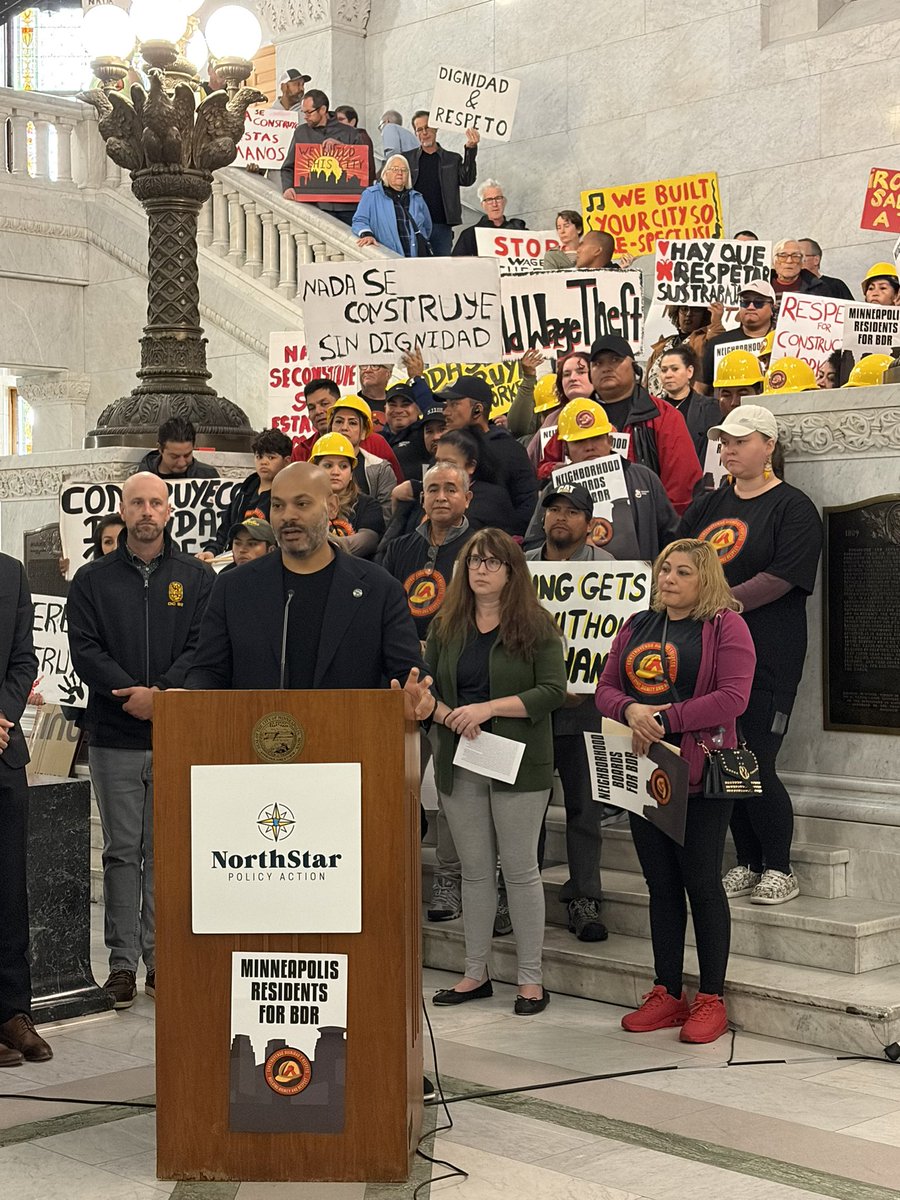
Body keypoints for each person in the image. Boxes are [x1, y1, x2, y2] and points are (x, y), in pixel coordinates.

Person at [596, 538, 756, 1043]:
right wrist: (631, 712)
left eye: (682, 572)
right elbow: (604, 688)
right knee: (660, 885)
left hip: (703, 773)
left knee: (702, 884)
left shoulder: (726, 625)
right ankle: (667, 991)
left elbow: (733, 698)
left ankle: (711, 997)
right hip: (644, 770)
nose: (668, 578)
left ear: (704, 578)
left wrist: (664, 718)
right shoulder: (638, 624)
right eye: (665, 569)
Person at [67, 473, 214, 1008]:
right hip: (114, 733)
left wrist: (165, 694)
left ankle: (163, 960)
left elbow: (204, 646)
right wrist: (131, 693)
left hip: (177, 733)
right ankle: (122, 965)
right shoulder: (91, 580)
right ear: (122, 510)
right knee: (122, 852)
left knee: (166, 852)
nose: (147, 511)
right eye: (137, 503)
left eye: (156, 502)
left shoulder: (197, 578)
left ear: (170, 510)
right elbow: (84, 649)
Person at [679, 406, 823, 906]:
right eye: (724, 443)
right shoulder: (708, 505)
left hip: (768, 655)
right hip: (709, 656)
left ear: (769, 445)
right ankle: (747, 859)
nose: (729, 450)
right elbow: (679, 556)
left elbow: (784, 575)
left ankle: (779, 865)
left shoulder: (793, 507)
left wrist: (720, 601)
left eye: (740, 441)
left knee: (755, 756)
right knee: (724, 756)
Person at [425, 529, 566, 1014]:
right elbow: (427, 690)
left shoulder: (537, 625)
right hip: (459, 757)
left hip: (519, 761)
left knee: (521, 870)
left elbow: (551, 691)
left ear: (511, 571)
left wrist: (486, 709)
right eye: (473, 562)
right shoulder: (447, 626)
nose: (480, 569)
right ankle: (474, 973)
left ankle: (531, 980)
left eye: (491, 562)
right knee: (476, 872)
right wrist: (446, 715)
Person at [185, 462, 431, 704]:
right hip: (256, 738)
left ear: (331, 507)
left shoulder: (379, 589)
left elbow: (409, 675)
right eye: (278, 505)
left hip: (349, 739)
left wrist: (418, 699)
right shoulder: (233, 587)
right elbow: (207, 672)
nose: (288, 516)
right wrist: (193, 697)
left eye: (302, 504)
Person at [540, 336, 700, 515]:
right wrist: (554, 470)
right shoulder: (574, 416)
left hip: (644, 524)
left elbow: (682, 485)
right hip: (581, 526)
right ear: (591, 372)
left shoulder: (664, 416)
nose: (607, 368)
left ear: (634, 367)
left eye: (615, 360)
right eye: (598, 363)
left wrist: (658, 527)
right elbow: (543, 466)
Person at [0, 552, 53, 1067]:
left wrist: (1, 713)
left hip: (1, 753)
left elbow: (23, 659)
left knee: (9, 889)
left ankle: (13, 1013)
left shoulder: (9, 572)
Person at [524, 399, 679, 560]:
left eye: (596, 438)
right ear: (566, 449)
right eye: (579, 441)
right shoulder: (555, 488)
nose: (589, 446)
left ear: (609, 440)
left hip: (640, 581)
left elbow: (672, 537)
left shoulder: (644, 478)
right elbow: (533, 544)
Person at [381, 463, 474, 639]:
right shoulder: (398, 548)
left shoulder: (479, 551)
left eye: (450, 490)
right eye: (433, 490)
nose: (441, 497)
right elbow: (385, 606)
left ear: (467, 499)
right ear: (423, 500)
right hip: (404, 650)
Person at [440, 376, 537, 535]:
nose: (446, 412)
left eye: (454, 404)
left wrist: (505, 541)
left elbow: (527, 504)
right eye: (446, 405)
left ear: (477, 409)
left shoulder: (511, 450)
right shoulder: (447, 446)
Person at [198, 428, 293, 560]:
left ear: (287, 461)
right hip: (236, 562)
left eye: (271, 457)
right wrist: (211, 552)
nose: (263, 462)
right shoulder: (243, 494)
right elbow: (224, 532)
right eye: (259, 456)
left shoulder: (290, 497)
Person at [281, 89, 367, 225]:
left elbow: (362, 167)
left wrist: (342, 147)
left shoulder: (350, 132)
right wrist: (287, 188)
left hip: (347, 208)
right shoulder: (301, 132)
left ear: (323, 110)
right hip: (313, 205)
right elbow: (288, 167)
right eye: (304, 112)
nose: (305, 116)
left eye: (309, 112)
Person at [291, 377, 403, 481]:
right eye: (311, 408)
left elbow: (396, 488)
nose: (318, 411)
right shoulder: (301, 452)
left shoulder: (376, 443)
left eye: (324, 404)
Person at [403, 113, 479, 257]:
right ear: (415, 133)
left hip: (442, 225)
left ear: (436, 129)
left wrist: (470, 150)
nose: (424, 133)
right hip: (415, 225)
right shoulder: (407, 159)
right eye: (419, 130)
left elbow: (467, 179)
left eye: (427, 127)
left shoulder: (452, 159)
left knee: (442, 270)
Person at [310, 432, 385, 557]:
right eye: (328, 465)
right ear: (315, 470)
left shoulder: (368, 505)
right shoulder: (303, 504)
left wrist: (322, 547)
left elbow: (368, 541)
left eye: (343, 466)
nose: (336, 472)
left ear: (351, 474)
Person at [328, 394, 397, 521]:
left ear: (364, 432)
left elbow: (386, 520)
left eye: (352, 423)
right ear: (330, 428)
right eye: (338, 421)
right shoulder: (312, 468)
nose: (344, 428)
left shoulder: (381, 470)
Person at [701, 282, 777, 389]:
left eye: (758, 303)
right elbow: (703, 387)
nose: (751, 307)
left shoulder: (782, 343)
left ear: (773, 309)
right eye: (745, 302)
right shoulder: (717, 343)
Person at [353, 154, 432, 257]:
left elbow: (427, 227)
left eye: (404, 170)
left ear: (408, 175)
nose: (399, 173)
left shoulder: (417, 198)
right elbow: (359, 220)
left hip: (414, 259)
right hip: (387, 259)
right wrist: (367, 234)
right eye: (395, 169)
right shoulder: (371, 195)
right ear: (386, 173)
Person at [657, 346, 721, 464]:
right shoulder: (653, 409)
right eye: (664, 370)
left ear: (689, 371)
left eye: (675, 369)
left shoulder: (710, 408)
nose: (668, 375)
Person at [646, 305, 724, 398]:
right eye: (684, 309)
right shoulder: (663, 344)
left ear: (704, 315)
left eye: (695, 310)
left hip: (686, 407)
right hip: (655, 408)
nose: (688, 314)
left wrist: (716, 322)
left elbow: (717, 345)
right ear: (677, 313)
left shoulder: (703, 340)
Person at [451, 179, 526, 257]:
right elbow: (458, 265)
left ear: (504, 201)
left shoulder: (519, 231)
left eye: (498, 198)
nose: (494, 204)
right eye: (489, 200)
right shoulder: (470, 235)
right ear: (483, 205)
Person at [137, 417, 219, 480]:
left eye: (187, 455)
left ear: (194, 447)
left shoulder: (208, 476)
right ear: (160, 449)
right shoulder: (142, 477)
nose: (181, 463)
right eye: (174, 457)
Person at [770, 239, 851, 299]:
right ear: (774, 261)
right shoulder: (763, 285)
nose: (789, 261)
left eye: (796, 256)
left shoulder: (820, 289)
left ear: (802, 262)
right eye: (782, 256)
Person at [713, 349, 764, 417]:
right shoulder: (710, 426)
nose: (734, 402)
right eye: (726, 395)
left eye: (742, 394)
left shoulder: (773, 426)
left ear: (759, 393)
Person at [334, 104, 376, 182]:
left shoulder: (361, 137)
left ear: (352, 122)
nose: (337, 123)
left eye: (341, 119)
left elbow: (360, 163)